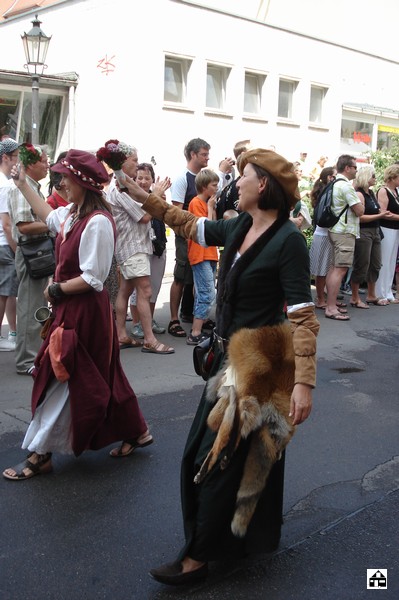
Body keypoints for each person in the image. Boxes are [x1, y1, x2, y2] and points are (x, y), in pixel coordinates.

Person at [122, 148, 319, 585]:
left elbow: (304, 316)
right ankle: (242, 541)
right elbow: (191, 225)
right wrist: (140, 194)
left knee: (214, 460)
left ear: (262, 184)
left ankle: (198, 559)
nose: (237, 182)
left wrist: (304, 383)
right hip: (227, 363)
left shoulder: (287, 240)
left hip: (259, 371)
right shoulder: (242, 224)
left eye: (244, 175)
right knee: (221, 457)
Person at [2, 150, 152, 481]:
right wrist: (22, 182)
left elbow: (93, 278)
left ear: (83, 182)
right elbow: (47, 214)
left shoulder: (97, 222)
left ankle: (41, 454)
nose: (60, 183)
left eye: (65, 178)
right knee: (102, 374)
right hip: (73, 309)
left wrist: (57, 289)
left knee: (61, 376)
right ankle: (136, 431)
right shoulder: (73, 214)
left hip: (85, 312)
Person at [101, 140, 174, 354]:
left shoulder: (124, 184)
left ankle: (121, 333)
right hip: (132, 247)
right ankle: (149, 339)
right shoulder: (119, 188)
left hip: (132, 245)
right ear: (122, 162)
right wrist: (157, 194)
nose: (137, 164)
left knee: (126, 290)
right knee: (145, 290)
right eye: (134, 160)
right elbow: (144, 216)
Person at [7, 143, 52, 374]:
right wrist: (53, 223)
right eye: (44, 160)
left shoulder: (33, 187)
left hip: (37, 249)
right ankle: (27, 360)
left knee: (37, 305)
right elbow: (23, 226)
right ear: (31, 163)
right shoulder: (20, 188)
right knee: (29, 305)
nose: (47, 165)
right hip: (31, 250)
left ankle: (34, 355)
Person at [167, 138, 211, 338]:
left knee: (196, 279)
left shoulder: (202, 177)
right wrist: (184, 236)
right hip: (186, 237)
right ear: (193, 155)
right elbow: (175, 213)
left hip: (199, 237)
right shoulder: (182, 179)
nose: (207, 157)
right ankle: (173, 320)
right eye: (204, 154)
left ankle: (193, 316)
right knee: (180, 277)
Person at [324, 155, 364, 321]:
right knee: (340, 269)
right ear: (347, 168)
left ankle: (330, 304)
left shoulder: (334, 183)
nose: (356, 170)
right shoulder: (346, 186)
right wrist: (360, 202)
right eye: (355, 167)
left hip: (336, 229)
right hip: (344, 231)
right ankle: (331, 307)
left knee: (334, 268)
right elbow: (360, 211)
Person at [129, 163, 167, 337]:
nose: (143, 182)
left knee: (154, 287)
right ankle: (137, 323)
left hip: (158, 246)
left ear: (153, 180)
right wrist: (156, 200)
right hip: (139, 248)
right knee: (139, 290)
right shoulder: (130, 197)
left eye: (147, 178)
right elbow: (143, 218)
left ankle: (149, 320)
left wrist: (160, 200)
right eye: (140, 178)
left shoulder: (157, 196)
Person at [186, 169, 218, 345]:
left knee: (202, 291)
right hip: (201, 254)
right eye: (214, 185)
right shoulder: (196, 202)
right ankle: (195, 332)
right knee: (206, 293)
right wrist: (211, 208)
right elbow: (207, 228)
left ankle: (200, 324)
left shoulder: (202, 202)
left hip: (208, 254)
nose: (216, 188)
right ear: (205, 186)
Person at [350, 166, 387, 308]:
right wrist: (380, 215)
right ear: (366, 177)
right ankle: (355, 297)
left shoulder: (371, 193)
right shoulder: (359, 194)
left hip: (375, 231)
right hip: (364, 232)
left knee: (376, 264)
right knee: (362, 264)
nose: (375, 179)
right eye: (373, 176)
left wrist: (380, 214)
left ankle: (371, 295)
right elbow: (360, 217)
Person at [0, 138, 19, 351]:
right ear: (6, 157)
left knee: (7, 292)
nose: (18, 162)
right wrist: (16, 250)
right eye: (16, 157)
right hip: (5, 244)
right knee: (4, 293)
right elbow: (7, 224)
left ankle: (12, 332)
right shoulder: (5, 186)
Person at [309, 166, 336, 309]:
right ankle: (320, 299)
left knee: (327, 269)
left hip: (325, 234)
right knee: (321, 270)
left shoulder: (324, 192)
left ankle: (324, 297)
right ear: (329, 178)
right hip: (323, 234)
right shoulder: (325, 193)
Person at [374, 164, 399, 304]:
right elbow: (383, 213)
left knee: (391, 260)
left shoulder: (396, 191)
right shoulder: (384, 191)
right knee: (384, 260)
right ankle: (380, 292)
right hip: (386, 228)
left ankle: (388, 291)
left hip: (395, 229)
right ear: (393, 177)